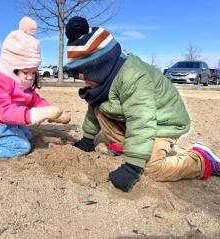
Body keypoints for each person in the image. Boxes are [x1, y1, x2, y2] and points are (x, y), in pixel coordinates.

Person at [64, 16, 220, 192]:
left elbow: (142, 120)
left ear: (98, 68)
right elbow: (94, 109)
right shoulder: (105, 81)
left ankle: (201, 160)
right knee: (99, 104)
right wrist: (87, 139)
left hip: (163, 123)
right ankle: (126, 145)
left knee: (152, 169)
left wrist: (133, 165)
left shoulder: (133, 77)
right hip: (144, 120)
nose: (83, 82)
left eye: (83, 76)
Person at [0, 16, 69, 159]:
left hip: (1, 121)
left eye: (33, 72)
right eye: (26, 72)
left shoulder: (21, 80)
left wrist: (49, 111)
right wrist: (35, 114)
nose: (30, 77)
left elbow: (32, 99)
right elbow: (3, 111)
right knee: (21, 146)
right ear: (12, 66)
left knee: (27, 134)